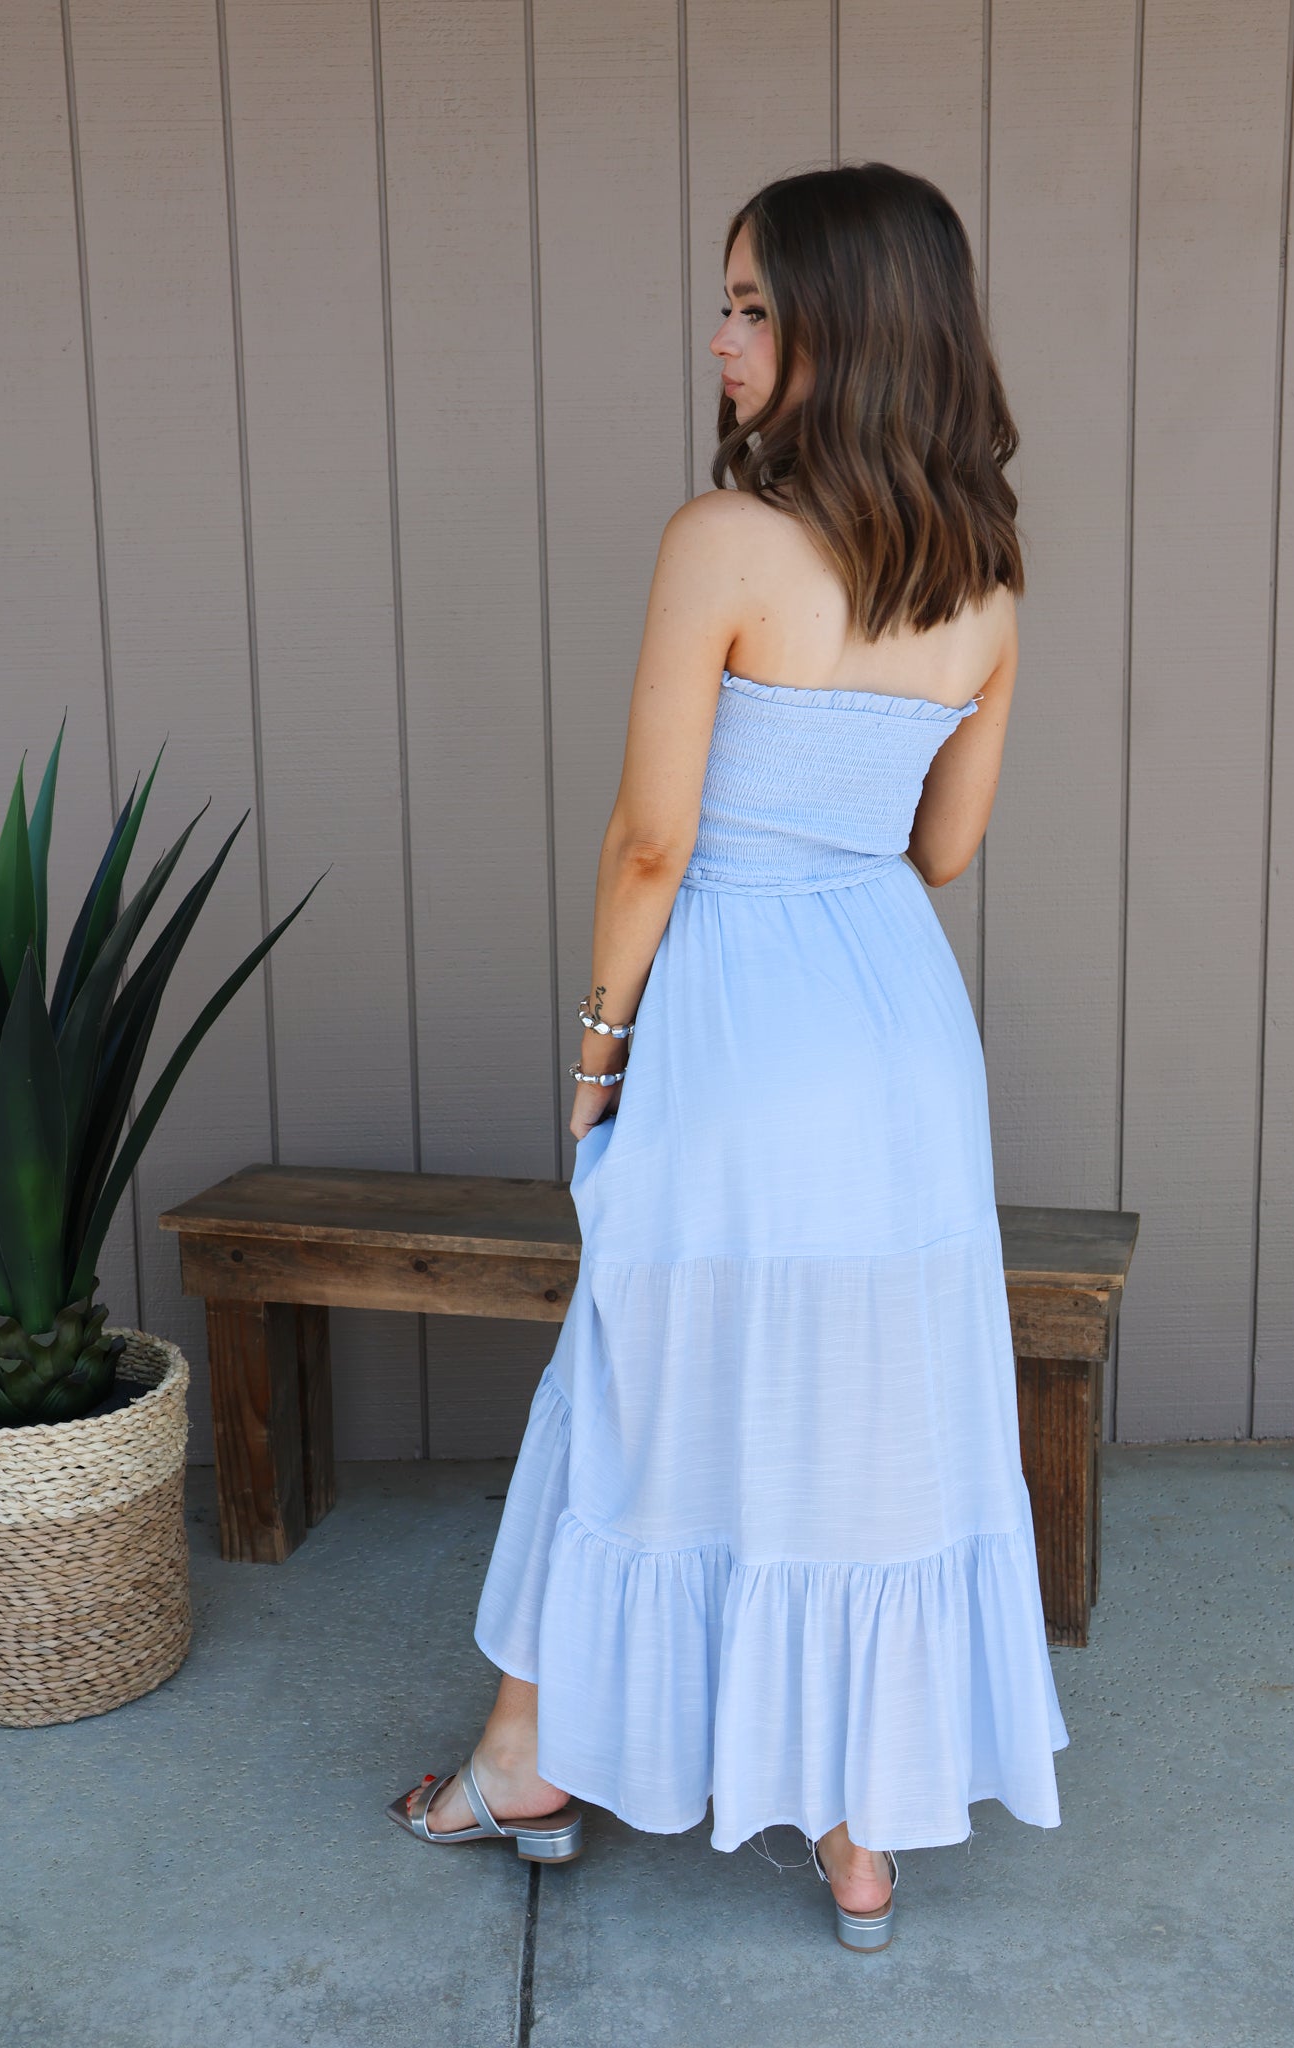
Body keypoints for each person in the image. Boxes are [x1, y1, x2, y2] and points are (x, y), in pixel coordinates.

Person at [388, 161, 1069, 1954]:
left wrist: (598, 1048)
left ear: (849, 327)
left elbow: (650, 842)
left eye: (755, 305)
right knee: (872, 1407)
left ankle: (526, 1763)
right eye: (728, 301)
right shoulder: (987, 577)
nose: (721, 337)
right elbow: (940, 850)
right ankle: (859, 1836)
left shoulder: (722, 542)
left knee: (641, 1370)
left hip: (736, 1019)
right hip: (897, 1030)